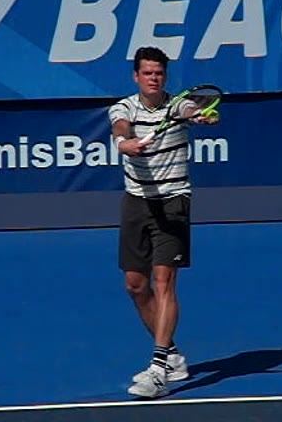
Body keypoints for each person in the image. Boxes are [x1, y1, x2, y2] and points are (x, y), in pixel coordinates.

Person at [108, 47, 219, 398]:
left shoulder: (176, 106)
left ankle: (158, 370)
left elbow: (190, 110)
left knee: (164, 280)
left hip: (173, 201)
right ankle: (171, 355)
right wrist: (124, 143)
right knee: (135, 285)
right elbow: (120, 127)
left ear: (165, 77)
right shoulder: (124, 107)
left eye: (159, 73)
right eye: (147, 73)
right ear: (136, 77)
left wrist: (200, 116)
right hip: (136, 202)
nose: (153, 78)